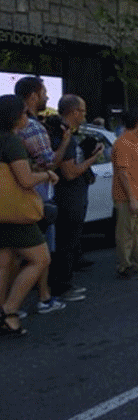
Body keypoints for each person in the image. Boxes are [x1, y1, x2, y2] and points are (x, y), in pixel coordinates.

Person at [0, 94, 60, 335]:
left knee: (3, 263)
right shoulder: (11, 142)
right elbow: (25, 181)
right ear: (14, 117)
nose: (28, 116)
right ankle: (10, 311)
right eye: (24, 113)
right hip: (17, 213)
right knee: (40, 258)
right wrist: (47, 175)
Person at [14, 76, 69, 313]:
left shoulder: (11, 129)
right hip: (35, 198)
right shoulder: (32, 127)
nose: (47, 97)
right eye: (44, 92)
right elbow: (49, 164)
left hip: (12, 199)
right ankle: (40, 299)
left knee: (11, 255)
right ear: (34, 95)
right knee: (40, 253)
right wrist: (65, 142)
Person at [49, 95, 104, 301]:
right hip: (69, 197)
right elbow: (70, 172)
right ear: (73, 112)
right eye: (82, 111)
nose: (84, 115)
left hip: (72, 195)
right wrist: (92, 159)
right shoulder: (65, 138)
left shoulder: (68, 136)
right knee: (67, 243)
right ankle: (61, 286)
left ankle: (64, 282)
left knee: (69, 242)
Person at [112, 108, 138, 279]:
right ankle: (125, 265)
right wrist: (131, 198)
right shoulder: (123, 143)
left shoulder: (136, 141)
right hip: (127, 197)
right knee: (126, 232)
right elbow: (123, 172)